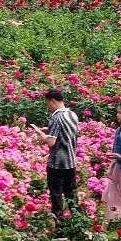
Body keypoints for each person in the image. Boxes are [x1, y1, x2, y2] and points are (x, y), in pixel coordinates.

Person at [30, 88, 79, 217]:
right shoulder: (72, 115)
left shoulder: (56, 117)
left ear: (52, 101)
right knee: (71, 192)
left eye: (47, 104)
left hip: (57, 163)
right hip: (71, 160)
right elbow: (66, 131)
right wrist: (48, 129)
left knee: (56, 193)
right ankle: (77, 218)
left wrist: (41, 134)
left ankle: (59, 222)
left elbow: (51, 142)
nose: (48, 107)